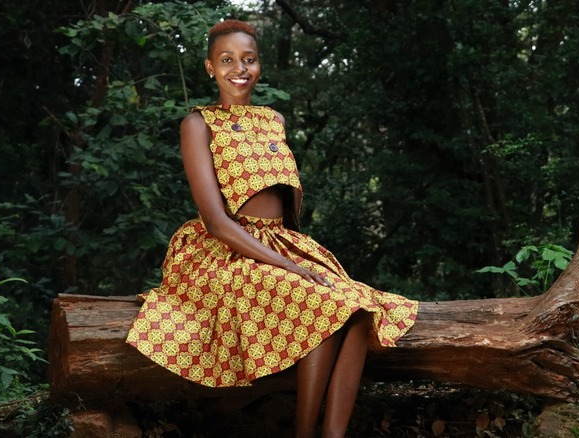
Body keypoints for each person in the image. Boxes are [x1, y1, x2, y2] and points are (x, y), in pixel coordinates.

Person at [125, 19, 418, 438]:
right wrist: (291, 268)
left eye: (249, 59)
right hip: (224, 249)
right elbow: (216, 221)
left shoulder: (273, 119)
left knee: (358, 311)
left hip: (278, 240)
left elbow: (283, 201)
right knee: (323, 303)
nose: (238, 69)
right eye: (226, 60)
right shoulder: (198, 124)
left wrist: (296, 258)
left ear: (259, 65)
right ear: (210, 67)